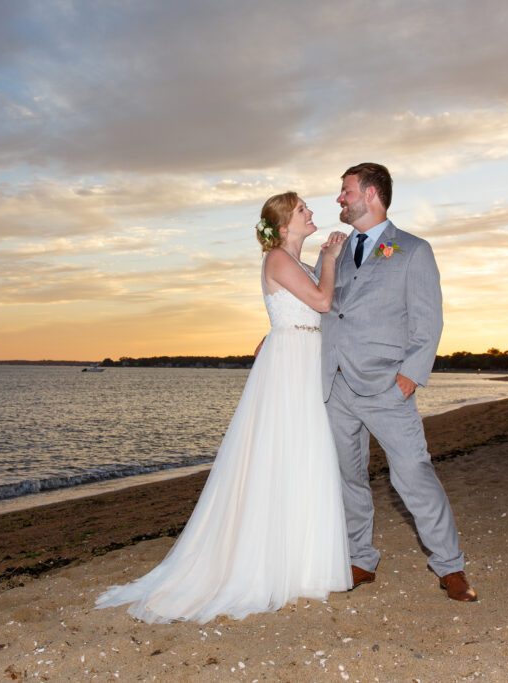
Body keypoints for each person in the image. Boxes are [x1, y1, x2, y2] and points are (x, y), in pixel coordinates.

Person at [95, 192, 351, 623]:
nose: (310, 213)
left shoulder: (295, 263)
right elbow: (323, 302)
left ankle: (304, 565)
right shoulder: (277, 259)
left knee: (303, 457)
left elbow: (309, 309)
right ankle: (268, 565)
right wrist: (332, 256)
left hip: (302, 359)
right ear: (284, 225)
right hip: (291, 366)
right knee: (283, 456)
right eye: (302, 210)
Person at [318, 162, 477, 602]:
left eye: (345, 190)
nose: (339, 199)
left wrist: (411, 374)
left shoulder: (414, 250)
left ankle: (450, 567)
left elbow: (429, 320)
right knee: (347, 477)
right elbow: (320, 306)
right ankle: (359, 559)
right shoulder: (330, 250)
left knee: (414, 474)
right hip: (334, 384)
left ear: (371, 194)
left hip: (388, 384)